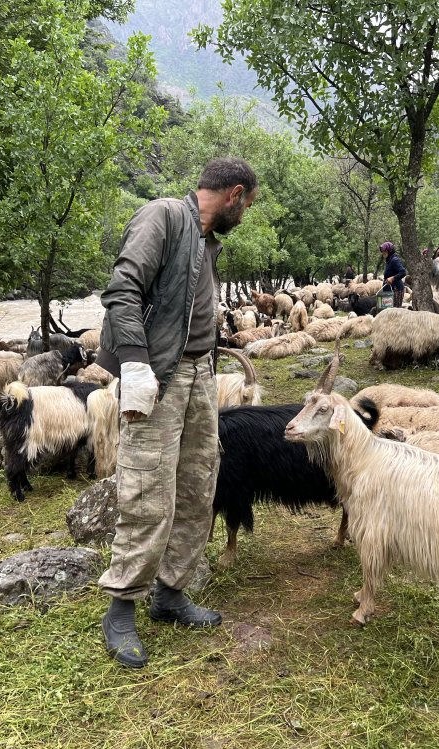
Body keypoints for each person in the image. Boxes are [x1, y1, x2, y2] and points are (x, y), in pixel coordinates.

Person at [95, 157, 257, 668]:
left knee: (197, 482)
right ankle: (122, 608)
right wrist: (135, 364)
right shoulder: (163, 216)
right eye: (246, 205)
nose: (244, 215)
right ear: (234, 194)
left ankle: (170, 593)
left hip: (201, 374)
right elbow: (122, 289)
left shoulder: (206, 242)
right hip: (158, 374)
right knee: (146, 485)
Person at [379, 241, 407, 308]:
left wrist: (392, 278)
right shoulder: (389, 260)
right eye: (382, 251)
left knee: (394, 311)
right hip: (389, 290)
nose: (383, 253)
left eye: (384, 251)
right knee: (387, 310)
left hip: (396, 290)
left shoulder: (394, 260)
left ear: (389, 251)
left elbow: (403, 272)